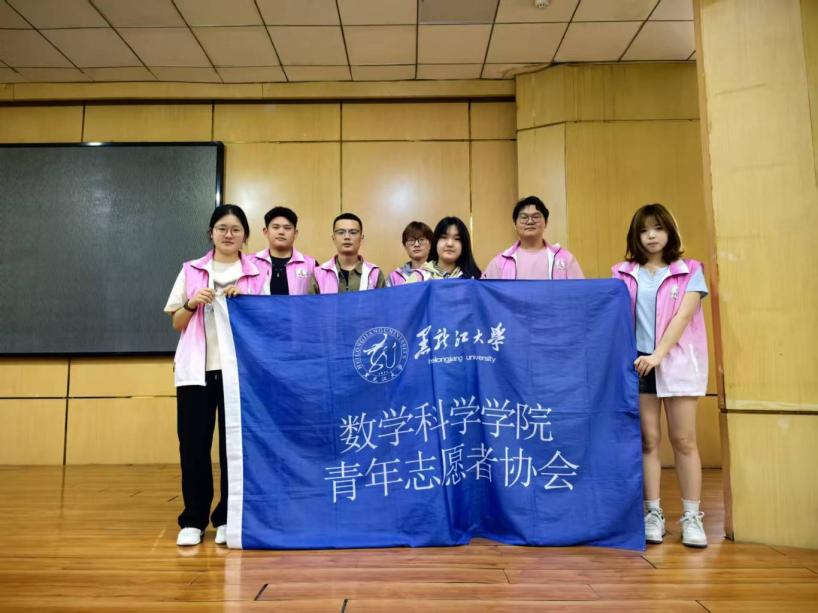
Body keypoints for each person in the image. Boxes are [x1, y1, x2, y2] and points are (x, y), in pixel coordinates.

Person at [163, 204, 267, 547]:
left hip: (240, 373)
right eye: (222, 228)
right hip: (196, 372)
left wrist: (246, 302)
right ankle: (193, 519)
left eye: (236, 229)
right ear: (211, 233)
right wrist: (192, 303)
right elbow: (176, 322)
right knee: (194, 446)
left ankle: (226, 517)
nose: (228, 235)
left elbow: (268, 321)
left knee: (233, 446)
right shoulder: (191, 270)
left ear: (245, 236)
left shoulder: (257, 273)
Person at [612, 203, 710, 549]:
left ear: (670, 231)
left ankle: (692, 516)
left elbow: (683, 318)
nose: (651, 236)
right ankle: (652, 513)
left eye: (658, 228)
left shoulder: (691, 270)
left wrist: (657, 356)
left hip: (677, 363)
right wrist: (642, 358)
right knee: (648, 440)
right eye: (643, 230)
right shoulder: (622, 273)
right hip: (638, 365)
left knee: (684, 440)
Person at [483, 196, 583, 280]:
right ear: (515, 224)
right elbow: (485, 292)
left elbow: (580, 291)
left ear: (546, 222)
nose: (530, 221)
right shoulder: (500, 262)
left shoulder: (564, 259)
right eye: (524, 217)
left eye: (536, 217)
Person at [310, 212, 386, 293]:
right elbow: (311, 301)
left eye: (353, 232)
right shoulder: (319, 274)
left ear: (361, 237)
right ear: (333, 238)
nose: (347, 237)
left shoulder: (374, 273)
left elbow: (383, 301)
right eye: (341, 232)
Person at [255, 206, 317, 295]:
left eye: (287, 228)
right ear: (266, 232)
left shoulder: (311, 265)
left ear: (295, 234)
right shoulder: (250, 263)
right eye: (275, 227)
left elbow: (321, 298)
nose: (281, 232)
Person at [387, 221, 432, 286]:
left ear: (430, 244)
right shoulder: (394, 277)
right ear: (405, 246)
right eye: (411, 240)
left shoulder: (438, 274)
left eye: (421, 240)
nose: (416, 244)